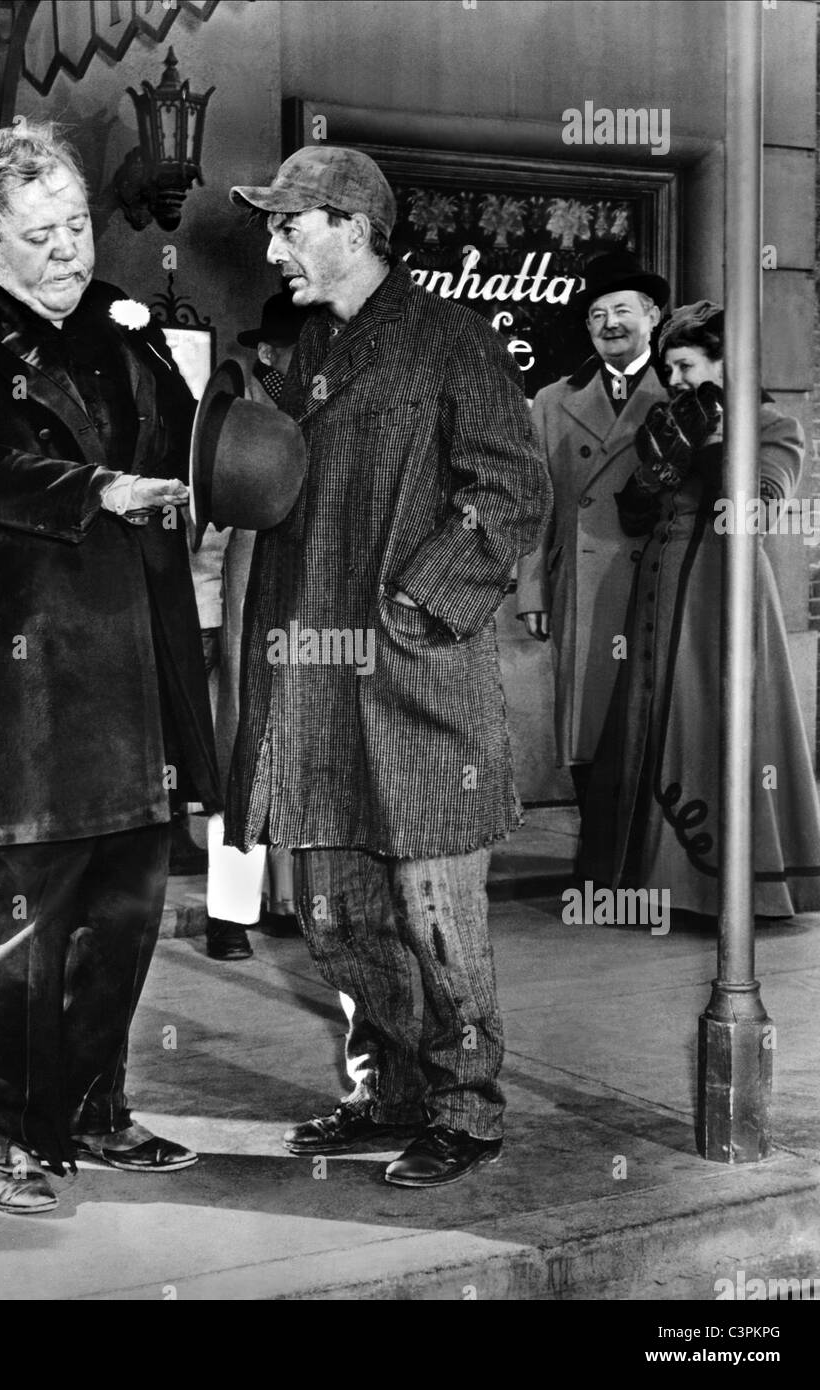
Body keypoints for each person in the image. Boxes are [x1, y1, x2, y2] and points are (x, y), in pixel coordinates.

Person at [0, 119, 220, 1214]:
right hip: (20, 666)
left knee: (126, 903)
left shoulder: (126, 326)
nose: (72, 249)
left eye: (77, 224)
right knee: (23, 907)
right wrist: (90, 490)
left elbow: (186, 446)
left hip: (137, 658)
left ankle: (91, 1108)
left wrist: (212, 425)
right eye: (41, 234)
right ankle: (1, 1133)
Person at [227, 146, 550, 1187]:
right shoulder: (302, 352)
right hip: (315, 686)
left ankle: (467, 1108)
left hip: (414, 683)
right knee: (338, 909)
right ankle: (387, 1092)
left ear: (353, 226)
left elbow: (509, 491)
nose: (273, 248)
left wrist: (419, 603)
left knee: (436, 913)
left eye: (290, 226)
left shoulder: (451, 340)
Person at [578, 300, 820, 918]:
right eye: (669, 369)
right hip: (658, 598)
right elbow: (634, 517)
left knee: (707, 722)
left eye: (687, 365)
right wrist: (655, 471)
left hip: (722, 596)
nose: (676, 380)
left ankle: (716, 892)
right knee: (646, 723)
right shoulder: (667, 423)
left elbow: (755, 507)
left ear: (725, 362)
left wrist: (712, 445)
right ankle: (641, 884)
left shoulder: (771, 425)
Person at [516, 251, 670, 814]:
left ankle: (651, 857)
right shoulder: (554, 400)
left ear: (652, 316)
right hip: (580, 584)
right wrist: (532, 589)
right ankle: (599, 860)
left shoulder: (685, 392)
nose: (610, 324)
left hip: (661, 577)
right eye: (598, 314)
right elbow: (537, 502)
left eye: (623, 310)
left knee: (657, 724)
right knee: (589, 725)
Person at [188, 291, 308, 961]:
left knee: (297, 753)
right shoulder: (235, 422)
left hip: (305, 607)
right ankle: (230, 913)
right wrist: (203, 628)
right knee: (241, 760)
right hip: (240, 607)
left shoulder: (315, 412)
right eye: (298, 346)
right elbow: (203, 539)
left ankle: (288, 899)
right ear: (267, 351)